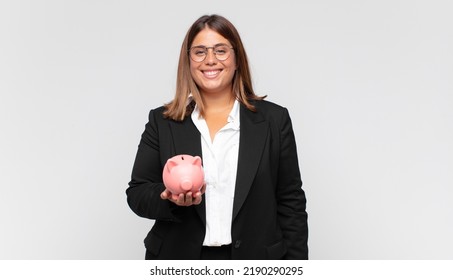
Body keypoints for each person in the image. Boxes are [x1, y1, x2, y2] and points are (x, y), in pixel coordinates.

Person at [126, 14, 308, 260]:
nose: (210, 60)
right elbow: (137, 193)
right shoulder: (163, 121)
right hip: (178, 259)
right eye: (200, 52)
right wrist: (168, 198)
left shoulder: (274, 120)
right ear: (188, 61)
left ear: (237, 59)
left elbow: (291, 201)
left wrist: (297, 269)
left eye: (221, 50)